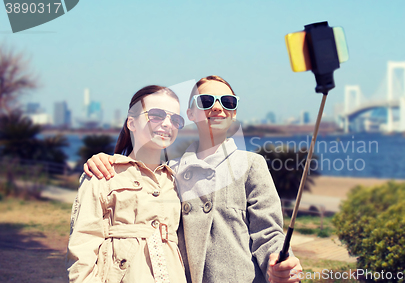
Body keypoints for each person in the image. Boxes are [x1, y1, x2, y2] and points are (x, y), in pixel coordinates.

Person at [84, 76, 302, 283]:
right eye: (206, 101)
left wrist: (279, 263)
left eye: (227, 101)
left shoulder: (251, 164)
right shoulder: (169, 173)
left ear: (234, 112)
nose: (217, 107)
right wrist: (106, 161)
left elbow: (268, 232)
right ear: (190, 114)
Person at [67, 85, 187, 283]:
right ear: (131, 122)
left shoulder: (177, 181)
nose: (167, 124)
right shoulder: (103, 174)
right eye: (156, 115)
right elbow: (83, 247)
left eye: (175, 119)